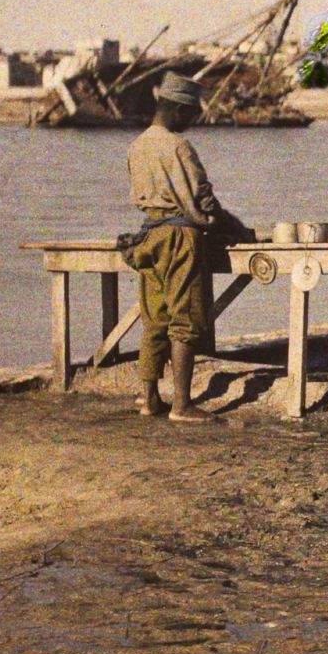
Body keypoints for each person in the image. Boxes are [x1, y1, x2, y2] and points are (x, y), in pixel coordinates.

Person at [124, 73, 235, 422]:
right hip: (179, 238)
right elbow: (203, 201)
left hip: (149, 237)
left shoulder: (137, 145)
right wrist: (237, 228)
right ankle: (183, 405)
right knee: (185, 319)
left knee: (154, 317)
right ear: (176, 108)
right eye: (190, 113)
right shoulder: (178, 147)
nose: (193, 121)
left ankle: (149, 399)